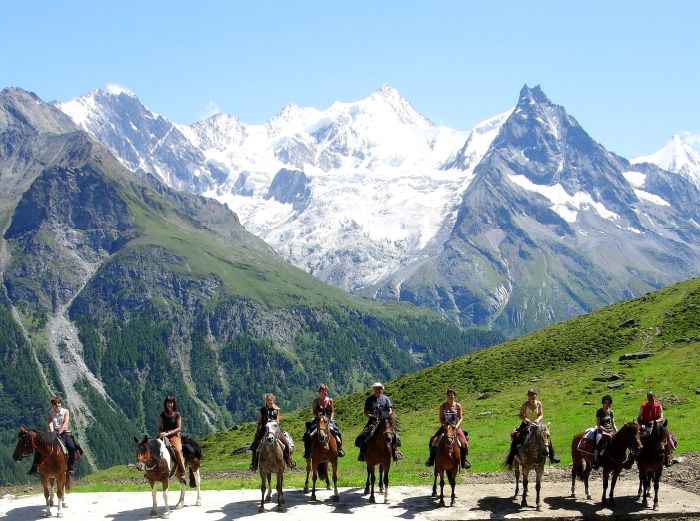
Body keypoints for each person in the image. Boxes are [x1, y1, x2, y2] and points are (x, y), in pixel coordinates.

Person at [505, 388, 560, 468]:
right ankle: (512, 456)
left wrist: (537, 420)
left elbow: (541, 414)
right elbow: (520, 415)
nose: (532, 396)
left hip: (537, 424)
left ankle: (552, 456)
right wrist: (525, 419)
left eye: (533, 395)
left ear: (536, 396)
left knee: (546, 437)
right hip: (526, 424)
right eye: (530, 395)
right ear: (528, 396)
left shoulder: (539, 404)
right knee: (518, 437)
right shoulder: (525, 405)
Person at [28, 396, 77, 476]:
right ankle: (34, 467)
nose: (57, 404)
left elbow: (65, 423)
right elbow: (50, 423)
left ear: (60, 403)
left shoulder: (65, 411)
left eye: (58, 402)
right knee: (40, 447)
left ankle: (70, 467)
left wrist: (60, 432)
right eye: (55, 403)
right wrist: (52, 431)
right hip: (53, 433)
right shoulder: (50, 413)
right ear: (52, 405)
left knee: (71, 447)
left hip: (64, 432)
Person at [355, 382, 403, 462]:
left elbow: (390, 409)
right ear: (373, 390)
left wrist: (388, 415)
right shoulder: (369, 399)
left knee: (393, 435)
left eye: (380, 388)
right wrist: (369, 416)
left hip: (384, 422)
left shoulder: (386, 398)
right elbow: (365, 412)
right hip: (372, 421)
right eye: (376, 388)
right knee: (364, 435)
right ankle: (362, 453)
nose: (378, 390)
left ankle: (395, 452)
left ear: (382, 389)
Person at [425, 388, 471, 469]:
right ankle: (431, 459)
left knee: (464, 443)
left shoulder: (458, 406)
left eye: (452, 395)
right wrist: (443, 425)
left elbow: (461, 417)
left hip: (455, 427)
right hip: (445, 427)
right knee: (433, 440)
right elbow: (441, 418)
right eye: (449, 395)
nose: (450, 396)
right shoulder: (442, 406)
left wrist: (457, 426)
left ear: (454, 396)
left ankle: (464, 461)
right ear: (447, 396)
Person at [249, 393, 295, 471]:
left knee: (286, 443)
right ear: (266, 401)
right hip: (264, 430)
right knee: (254, 446)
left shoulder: (276, 410)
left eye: (271, 400)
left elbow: (277, 421)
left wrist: (273, 423)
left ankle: (288, 461)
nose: (269, 401)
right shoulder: (262, 410)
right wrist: (257, 432)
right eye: (268, 400)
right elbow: (259, 422)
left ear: (273, 400)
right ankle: (254, 463)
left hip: (275, 430)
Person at [302, 384, 345, 459]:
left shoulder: (330, 401)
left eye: (325, 391)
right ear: (319, 392)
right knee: (308, 434)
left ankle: (339, 449)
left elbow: (332, 411)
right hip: (318, 420)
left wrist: (330, 418)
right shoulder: (316, 401)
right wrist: (318, 417)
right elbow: (313, 412)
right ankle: (307, 452)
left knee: (338, 432)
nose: (324, 392)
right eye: (322, 391)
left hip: (328, 420)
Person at [636, 390, 672, 467]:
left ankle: (668, 456)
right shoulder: (643, 406)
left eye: (651, 397)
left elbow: (661, 417)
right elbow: (639, 418)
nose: (650, 399)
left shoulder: (658, 406)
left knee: (667, 434)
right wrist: (641, 424)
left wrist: (654, 421)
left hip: (657, 425)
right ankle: (632, 457)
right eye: (648, 397)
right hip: (645, 425)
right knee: (637, 436)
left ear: (654, 397)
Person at [158, 395, 187, 484]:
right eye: (168, 402)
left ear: (174, 403)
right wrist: (161, 433)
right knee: (154, 447)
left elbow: (179, 428)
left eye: (171, 402)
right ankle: (151, 470)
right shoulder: (162, 415)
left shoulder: (177, 414)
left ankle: (182, 471)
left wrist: (168, 433)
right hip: (164, 435)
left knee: (178, 450)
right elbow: (159, 427)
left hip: (174, 435)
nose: (169, 404)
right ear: (165, 404)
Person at [592, 395, 617, 468]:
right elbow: (598, 425)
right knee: (599, 440)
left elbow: (613, 423)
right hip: (601, 430)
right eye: (606, 402)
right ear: (603, 403)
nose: (607, 404)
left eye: (608, 403)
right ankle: (596, 459)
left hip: (610, 430)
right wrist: (605, 430)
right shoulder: (599, 411)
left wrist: (616, 430)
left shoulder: (611, 411)